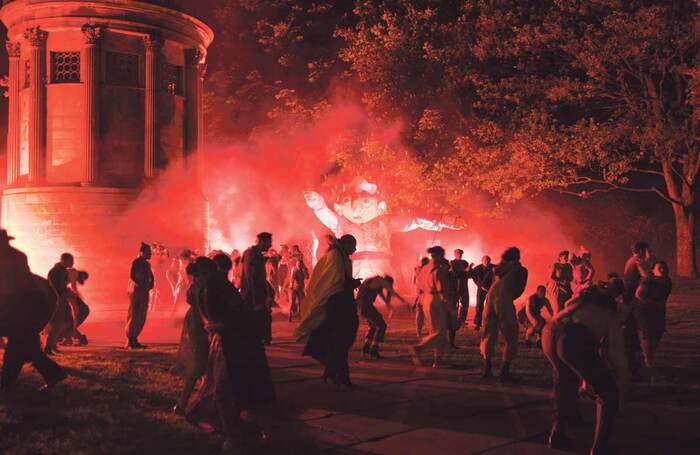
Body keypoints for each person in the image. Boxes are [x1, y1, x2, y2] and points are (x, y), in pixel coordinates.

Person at [186, 256, 276, 449]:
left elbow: (238, 317)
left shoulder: (219, 288)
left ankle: (237, 435)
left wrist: (221, 326)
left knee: (227, 389)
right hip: (227, 342)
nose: (195, 280)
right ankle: (236, 431)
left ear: (206, 273)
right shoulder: (211, 287)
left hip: (237, 345)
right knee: (226, 388)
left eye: (198, 276)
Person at [543, 281, 629, 454]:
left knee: (565, 381)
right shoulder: (612, 316)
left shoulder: (582, 303)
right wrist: (621, 396)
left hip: (550, 331)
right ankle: (599, 449)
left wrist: (586, 378)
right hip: (571, 339)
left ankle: (557, 435)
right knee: (608, 393)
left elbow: (594, 355)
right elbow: (618, 359)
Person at [0, 230, 66, 391]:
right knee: (24, 345)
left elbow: (12, 288)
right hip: (29, 305)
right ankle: (53, 374)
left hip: (30, 305)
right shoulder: (15, 256)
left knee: (19, 342)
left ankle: (6, 384)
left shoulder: (11, 258)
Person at [295, 235, 360, 387]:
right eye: (353, 246)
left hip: (343, 303)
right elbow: (335, 280)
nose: (354, 249)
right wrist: (351, 283)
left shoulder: (340, 256)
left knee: (341, 340)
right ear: (346, 244)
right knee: (340, 340)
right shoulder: (336, 257)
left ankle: (335, 372)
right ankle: (339, 375)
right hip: (338, 304)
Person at [480, 247, 528, 382]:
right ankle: (504, 371)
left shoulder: (497, 269)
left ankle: (487, 368)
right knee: (511, 336)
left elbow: (487, 284)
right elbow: (519, 289)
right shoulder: (520, 270)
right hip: (504, 301)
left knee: (488, 334)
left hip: (490, 300)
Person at [172, 262, 208, 415]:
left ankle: (195, 401)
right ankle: (185, 404)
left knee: (203, 367)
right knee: (199, 365)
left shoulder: (197, 286)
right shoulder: (198, 287)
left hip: (198, 324)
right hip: (199, 326)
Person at [410, 246, 451, 368]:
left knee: (434, 330)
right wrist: (450, 307)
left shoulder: (424, 269)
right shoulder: (439, 270)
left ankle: (437, 360)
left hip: (426, 298)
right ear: (438, 255)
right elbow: (441, 289)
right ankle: (419, 348)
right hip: (436, 299)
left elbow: (419, 285)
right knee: (439, 332)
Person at [634, 260, 672, 379]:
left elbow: (664, 296)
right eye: (660, 268)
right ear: (653, 270)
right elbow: (638, 295)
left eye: (664, 268)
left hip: (659, 312)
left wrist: (659, 304)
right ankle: (648, 361)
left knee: (657, 334)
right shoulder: (647, 281)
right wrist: (653, 303)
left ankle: (648, 358)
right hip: (645, 312)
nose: (662, 270)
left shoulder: (667, 281)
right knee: (647, 335)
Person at [358, 275, 410, 359]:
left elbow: (384, 299)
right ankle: (374, 351)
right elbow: (393, 293)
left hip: (360, 306)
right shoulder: (382, 281)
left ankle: (366, 347)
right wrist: (406, 302)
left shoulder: (374, 282)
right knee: (381, 326)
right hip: (365, 306)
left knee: (373, 326)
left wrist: (389, 306)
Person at [241, 232, 274, 345]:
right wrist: (258, 300)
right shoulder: (255, 256)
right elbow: (254, 278)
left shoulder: (247, 253)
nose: (270, 245)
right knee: (261, 319)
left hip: (248, 294)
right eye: (269, 242)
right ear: (262, 241)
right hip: (254, 296)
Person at [45, 253, 75, 354]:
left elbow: (62, 286)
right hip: (57, 301)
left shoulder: (62, 271)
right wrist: (65, 293)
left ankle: (53, 344)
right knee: (57, 323)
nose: (73, 263)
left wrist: (67, 291)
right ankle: (49, 346)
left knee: (68, 321)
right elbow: (53, 288)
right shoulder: (55, 272)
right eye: (71, 260)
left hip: (62, 300)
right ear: (64, 260)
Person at [125, 243, 154, 349]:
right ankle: (131, 339)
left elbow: (151, 275)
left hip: (143, 291)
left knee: (141, 314)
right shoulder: (136, 262)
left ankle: (134, 338)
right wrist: (141, 285)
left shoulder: (146, 264)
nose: (150, 254)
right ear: (142, 252)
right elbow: (132, 276)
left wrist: (151, 283)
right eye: (148, 252)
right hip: (136, 292)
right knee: (135, 314)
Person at [471, 255, 495, 330]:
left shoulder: (494, 267)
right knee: (479, 306)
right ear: (482, 261)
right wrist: (480, 285)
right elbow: (474, 276)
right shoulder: (477, 268)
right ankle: (477, 323)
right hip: (481, 289)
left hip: (491, 289)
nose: (486, 262)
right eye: (485, 261)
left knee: (492, 306)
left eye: (488, 261)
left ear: (490, 261)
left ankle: (491, 323)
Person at [288, 257, 309, 322]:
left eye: (300, 265)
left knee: (301, 303)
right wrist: (291, 285)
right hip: (294, 288)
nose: (299, 266)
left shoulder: (303, 270)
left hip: (300, 288)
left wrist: (305, 271)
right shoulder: (294, 270)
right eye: (298, 264)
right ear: (296, 264)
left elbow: (307, 277)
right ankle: (290, 316)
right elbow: (292, 278)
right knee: (292, 302)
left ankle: (300, 316)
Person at [413, 257, 429, 337]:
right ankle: (423, 332)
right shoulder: (428, 270)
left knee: (420, 314)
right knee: (427, 314)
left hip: (420, 295)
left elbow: (414, 282)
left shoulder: (417, 270)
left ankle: (418, 332)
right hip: (426, 295)